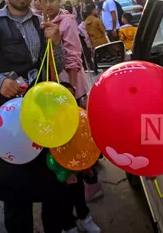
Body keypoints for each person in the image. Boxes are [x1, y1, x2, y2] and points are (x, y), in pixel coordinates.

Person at [0, 0, 68, 233]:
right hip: (8, 117)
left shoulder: (43, 24)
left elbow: (55, 68)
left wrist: (56, 43)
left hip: (40, 110)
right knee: (14, 187)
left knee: (50, 181)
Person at [59, 82, 102, 233]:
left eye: (72, 96)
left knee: (78, 192)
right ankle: (68, 224)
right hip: (58, 168)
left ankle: (84, 217)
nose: (69, 100)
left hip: (76, 166)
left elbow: (84, 143)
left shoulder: (79, 117)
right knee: (63, 198)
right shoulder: (51, 121)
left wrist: (87, 165)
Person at [40, 0, 89, 101]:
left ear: (59, 1)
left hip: (69, 82)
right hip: (52, 84)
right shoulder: (42, 22)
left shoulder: (67, 21)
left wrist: (72, 87)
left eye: (51, 0)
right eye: (44, 1)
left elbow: (73, 55)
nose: (48, 5)